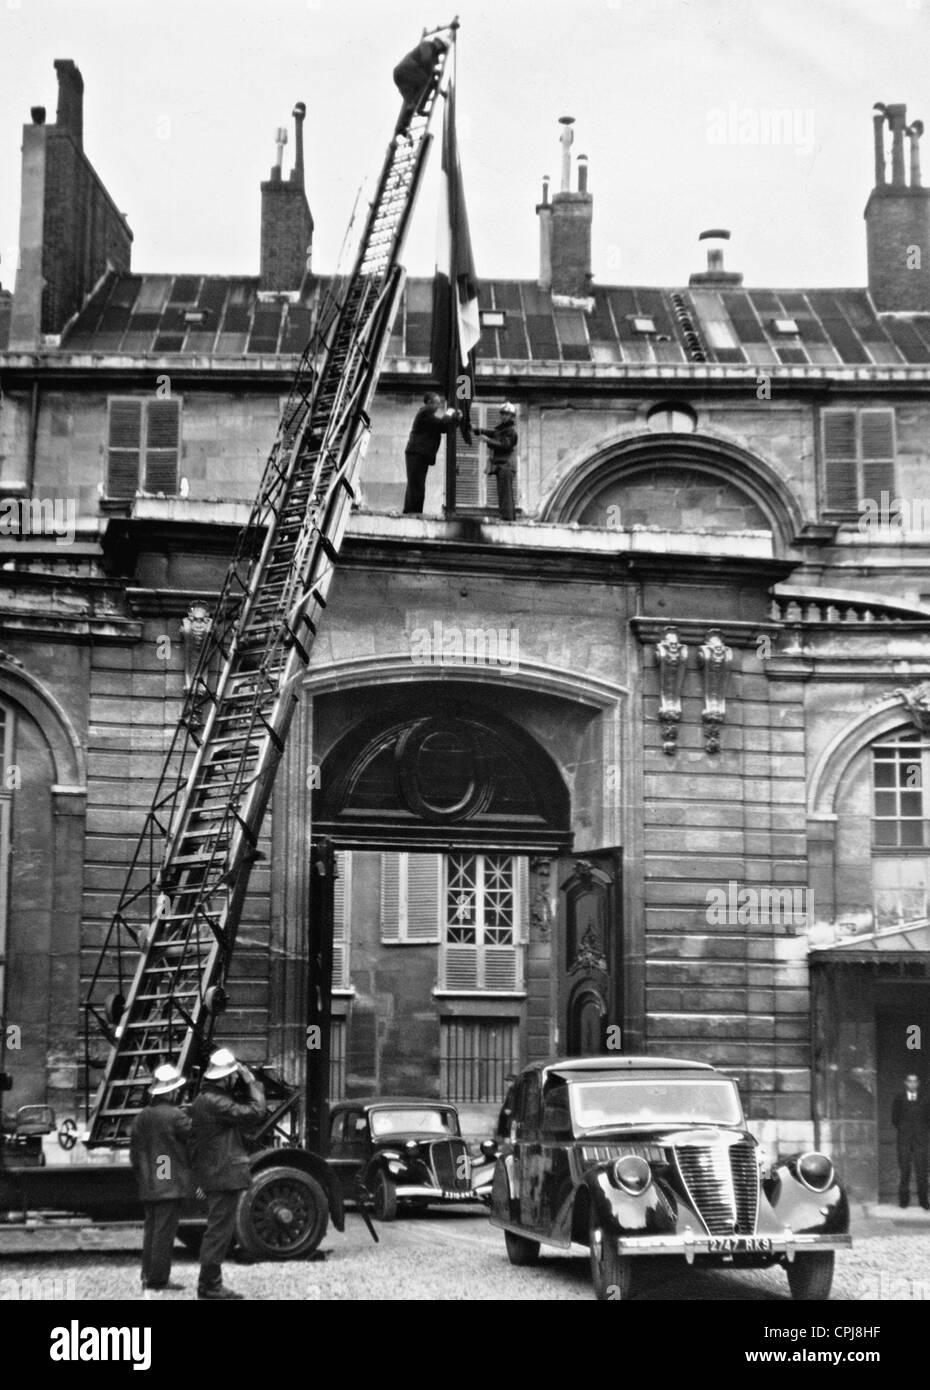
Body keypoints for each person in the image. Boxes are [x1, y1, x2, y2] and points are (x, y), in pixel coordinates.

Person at [190, 1048, 266, 1300]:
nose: (236, 1078)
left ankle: (210, 1283)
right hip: (222, 1173)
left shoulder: (206, 1099)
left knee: (219, 1229)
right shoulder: (216, 1101)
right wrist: (252, 1083)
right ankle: (209, 1286)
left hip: (215, 1172)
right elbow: (255, 1113)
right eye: (233, 1075)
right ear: (225, 1077)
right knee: (218, 1231)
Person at [129, 1062, 193, 1294]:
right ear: (172, 1091)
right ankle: (158, 1279)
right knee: (164, 1234)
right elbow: (194, 1138)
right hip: (168, 1184)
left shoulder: (141, 1117)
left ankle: (147, 1275)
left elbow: (135, 1156)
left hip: (149, 1182)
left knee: (151, 1231)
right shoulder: (176, 1116)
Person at [403, 392, 460, 514]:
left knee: (416, 484)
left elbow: (443, 427)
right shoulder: (425, 413)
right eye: (437, 403)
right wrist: (450, 413)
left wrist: (455, 420)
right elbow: (442, 424)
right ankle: (413, 511)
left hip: (419, 454)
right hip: (417, 453)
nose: (438, 406)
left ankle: (413, 510)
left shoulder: (427, 415)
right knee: (416, 485)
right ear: (429, 403)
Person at [392, 34, 448, 136]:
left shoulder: (433, 54)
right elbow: (426, 60)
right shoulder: (427, 45)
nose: (440, 50)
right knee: (426, 82)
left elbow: (429, 66)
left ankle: (402, 126)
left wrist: (436, 80)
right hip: (406, 70)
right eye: (441, 47)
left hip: (402, 77)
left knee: (410, 102)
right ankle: (419, 107)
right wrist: (434, 71)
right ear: (437, 42)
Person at [891, 1071, 930, 1209]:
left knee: (922, 1172)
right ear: (906, 1083)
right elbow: (895, 1119)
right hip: (904, 1141)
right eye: (910, 1081)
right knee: (905, 1171)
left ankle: (924, 1201)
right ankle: (904, 1201)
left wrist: (922, 1131)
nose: (912, 1084)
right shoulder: (899, 1098)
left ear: (918, 1084)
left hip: (921, 1141)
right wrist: (904, 1130)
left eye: (915, 1081)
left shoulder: (926, 1099)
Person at [475, 402, 518, 520]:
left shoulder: (511, 431)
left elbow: (505, 445)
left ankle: (507, 518)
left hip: (506, 466)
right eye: (502, 414)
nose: (503, 416)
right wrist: (475, 429)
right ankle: (506, 516)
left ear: (512, 417)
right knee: (503, 492)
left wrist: (487, 440)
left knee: (505, 493)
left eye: (507, 414)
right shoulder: (502, 430)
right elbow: (488, 432)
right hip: (502, 466)